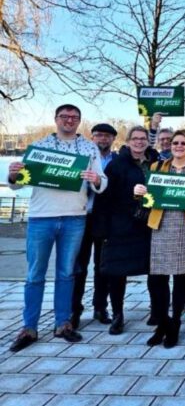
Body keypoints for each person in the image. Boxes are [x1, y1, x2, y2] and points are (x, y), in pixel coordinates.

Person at [8, 104, 107, 352]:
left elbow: (102, 181)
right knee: (35, 274)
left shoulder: (88, 147)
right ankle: (29, 326)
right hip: (42, 217)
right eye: (65, 116)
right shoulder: (40, 145)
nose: (69, 121)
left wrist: (96, 180)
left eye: (74, 117)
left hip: (75, 217)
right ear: (56, 119)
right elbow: (19, 184)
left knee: (67, 273)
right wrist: (13, 175)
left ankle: (63, 323)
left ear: (79, 121)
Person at [134, 130, 185, 348]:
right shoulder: (158, 167)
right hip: (162, 226)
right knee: (158, 279)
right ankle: (162, 323)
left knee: (181, 279)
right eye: (175, 142)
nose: (178, 146)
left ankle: (175, 323)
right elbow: (147, 197)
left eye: (183, 143)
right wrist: (138, 192)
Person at [94, 125, 158, 335]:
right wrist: (103, 229)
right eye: (135, 139)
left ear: (148, 141)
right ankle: (118, 314)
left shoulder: (157, 163)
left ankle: (156, 309)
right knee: (117, 272)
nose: (139, 142)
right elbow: (105, 197)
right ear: (129, 141)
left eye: (143, 139)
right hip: (122, 225)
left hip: (149, 224)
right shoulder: (116, 165)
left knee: (154, 270)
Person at [71, 122, 118, 330]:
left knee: (103, 266)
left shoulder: (116, 161)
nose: (102, 139)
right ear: (92, 137)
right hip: (82, 215)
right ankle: (74, 309)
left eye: (107, 136)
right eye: (98, 135)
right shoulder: (81, 159)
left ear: (113, 139)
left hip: (105, 219)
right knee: (78, 266)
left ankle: (100, 307)